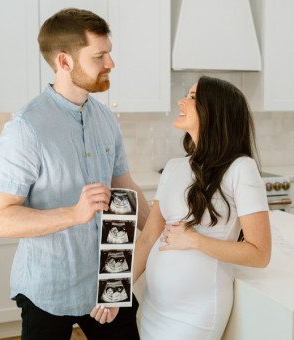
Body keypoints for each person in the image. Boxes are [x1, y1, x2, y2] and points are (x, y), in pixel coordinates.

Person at [0, 8, 149, 340]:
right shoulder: (26, 128)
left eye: (109, 54)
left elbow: (126, 187)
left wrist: (164, 228)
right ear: (64, 61)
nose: (110, 64)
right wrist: (75, 213)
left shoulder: (106, 120)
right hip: (47, 288)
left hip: (105, 284)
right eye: (99, 56)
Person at [93, 76, 272, 338]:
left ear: (216, 112)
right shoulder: (175, 167)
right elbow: (148, 239)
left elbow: (260, 253)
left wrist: (194, 240)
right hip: (155, 308)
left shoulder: (240, 168)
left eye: (193, 97)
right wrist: (115, 293)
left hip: (196, 313)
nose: (182, 101)